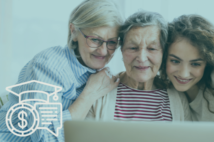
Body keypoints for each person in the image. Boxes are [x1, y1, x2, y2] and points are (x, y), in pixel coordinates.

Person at [0, 0, 123, 141]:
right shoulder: (48, 66)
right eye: (95, 40)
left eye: (112, 42)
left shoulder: (103, 76)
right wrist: (89, 94)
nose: (103, 51)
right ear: (74, 31)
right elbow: (45, 138)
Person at [85, 11, 191, 122]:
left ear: (163, 53)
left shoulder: (179, 98)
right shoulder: (100, 92)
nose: (142, 58)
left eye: (152, 49)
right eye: (133, 48)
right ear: (122, 50)